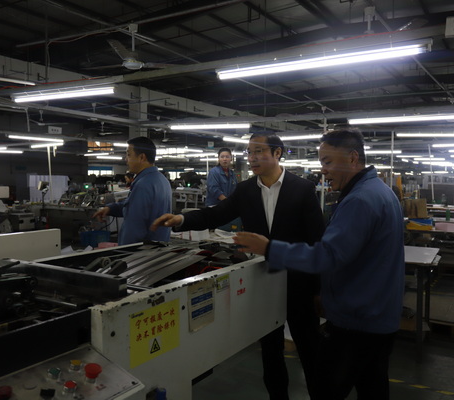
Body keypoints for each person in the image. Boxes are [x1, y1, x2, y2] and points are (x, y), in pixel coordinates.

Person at [233, 128, 405, 400]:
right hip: (379, 316)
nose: (322, 170)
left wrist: (269, 248)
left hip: (356, 321)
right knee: (373, 390)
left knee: (325, 389)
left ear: (352, 158)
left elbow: (327, 255)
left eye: (327, 161)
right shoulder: (381, 192)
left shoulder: (359, 200)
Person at [151, 133, 325, 400]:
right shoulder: (245, 190)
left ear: (277, 153)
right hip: (265, 282)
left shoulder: (302, 189)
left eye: (259, 151)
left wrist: (319, 290)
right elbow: (215, 214)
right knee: (271, 354)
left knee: (311, 352)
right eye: (249, 152)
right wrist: (181, 219)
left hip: (299, 284)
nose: (252, 158)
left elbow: (317, 241)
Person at [92, 137, 172, 245]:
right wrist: (111, 208)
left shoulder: (143, 184)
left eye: (129, 155)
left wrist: (124, 250)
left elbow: (134, 227)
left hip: (141, 251)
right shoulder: (162, 180)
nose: (126, 159)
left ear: (142, 157)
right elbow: (133, 207)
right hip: (158, 247)